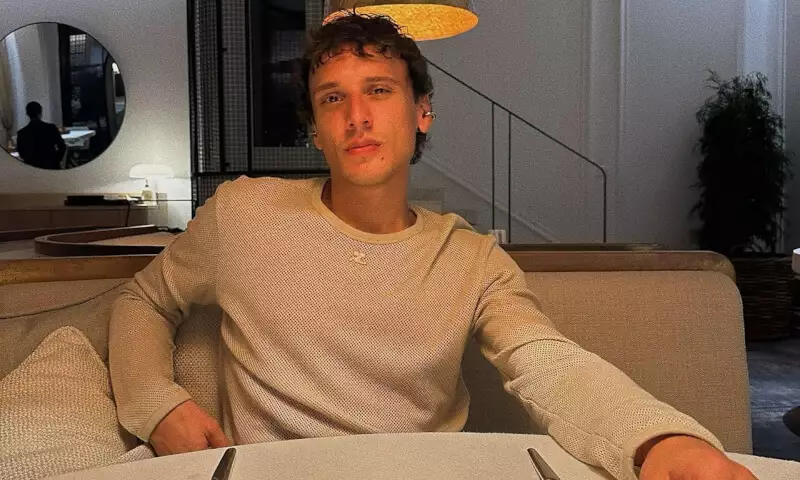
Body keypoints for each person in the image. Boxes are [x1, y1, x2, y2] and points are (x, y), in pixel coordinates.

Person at [109, 13, 757, 480]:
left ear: (422, 111)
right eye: (333, 99)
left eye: (379, 90)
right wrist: (158, 404)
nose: (356, 116)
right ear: (317, 130)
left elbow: (549, 365)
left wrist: (658, 441)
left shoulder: (471, 259)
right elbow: (144, 300)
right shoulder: (244, 215)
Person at [15, 101, 66, 170]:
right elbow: (62, 146)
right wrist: (56, 159)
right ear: (40, 113)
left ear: (27, 114)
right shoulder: (51, 128)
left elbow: (22, 153)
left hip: (32, 168)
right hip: (51, 166)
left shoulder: (22, 133)